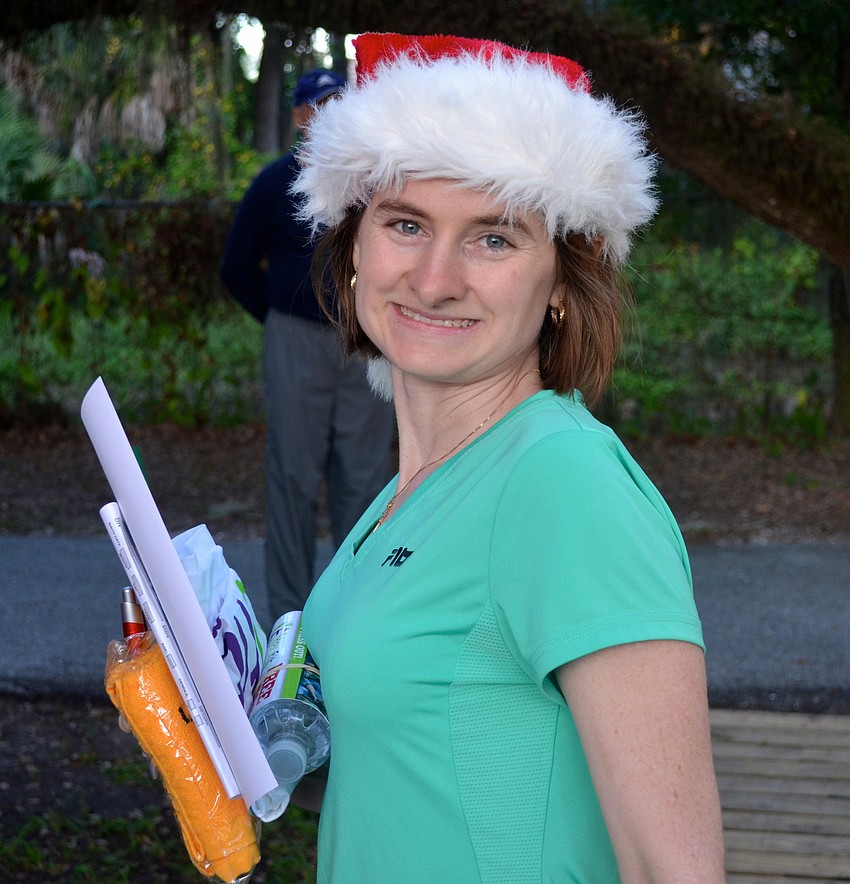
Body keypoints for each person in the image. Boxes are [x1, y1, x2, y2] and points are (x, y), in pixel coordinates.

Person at [293, 33, 726, 881]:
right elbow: (420, 761)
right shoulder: (421, 483)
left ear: (564, 282)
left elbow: (673, 869)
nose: (434, 278)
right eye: (406, 224)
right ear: (353, 249)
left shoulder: (562, 483)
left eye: (493, 239)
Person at [220, 68, 395, 619]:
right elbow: (236, 267)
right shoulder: (276, 182)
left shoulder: (376, 184)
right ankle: (288, 624)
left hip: (366, 345)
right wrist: (279, 319)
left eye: (342, 103)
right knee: (293, 479)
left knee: (365, 484)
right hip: (296, 341)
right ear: (300, 116)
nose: (331, 114)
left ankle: (356, 616)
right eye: (321, 105)